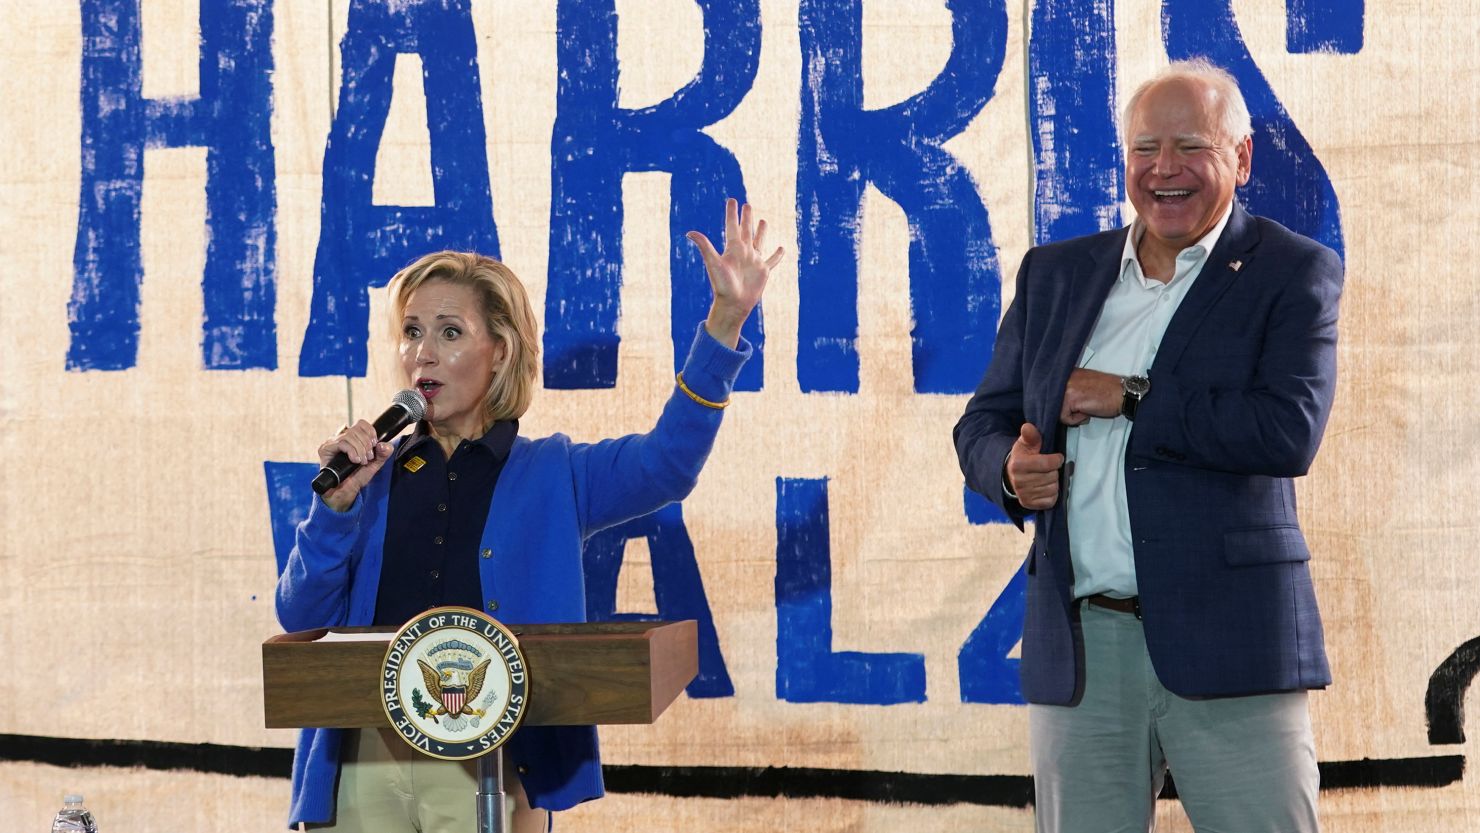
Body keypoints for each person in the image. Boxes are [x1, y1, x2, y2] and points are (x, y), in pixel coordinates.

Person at [276, 198, 784, 832]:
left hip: (494, 764)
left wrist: (726, 321)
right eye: (411, 331)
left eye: (449, 331)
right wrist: (334, 509)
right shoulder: (369, 479)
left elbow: (667, 465)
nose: (422, 354)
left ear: (503, 350)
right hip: (365, 758)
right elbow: (301, 619)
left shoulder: (555, 472)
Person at [953, 60, 1342, 832]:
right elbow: (983, 421)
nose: (1164, 169)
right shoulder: (1055, 274)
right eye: (1145, 148)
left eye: (1190, 146)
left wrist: (1130, 396)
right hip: (1084, 647)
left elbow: (1287, 428)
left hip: (1233, 642)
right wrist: (1007, 469)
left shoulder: (1291, 271)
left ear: (1241, 157)